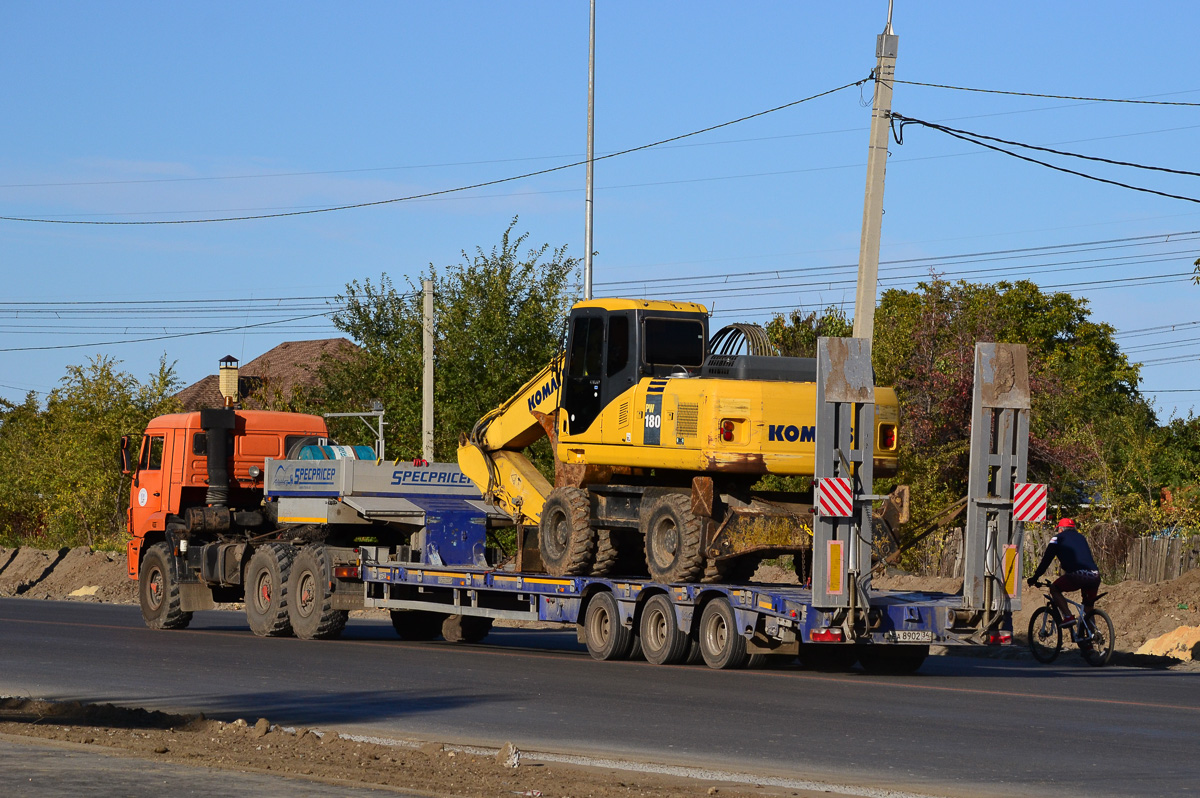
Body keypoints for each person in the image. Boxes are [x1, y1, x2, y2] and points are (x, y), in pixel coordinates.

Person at [1027, 518, 1101, 637]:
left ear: (1060, 529)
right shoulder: (1081, 537)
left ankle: (1067, 616)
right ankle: (1091, 639)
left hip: (1078, 574)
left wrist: (1035, 577)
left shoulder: (1057, 538)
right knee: (1088, 608)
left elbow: (1046, 560)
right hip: (1094, 575)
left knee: (1054, 588)